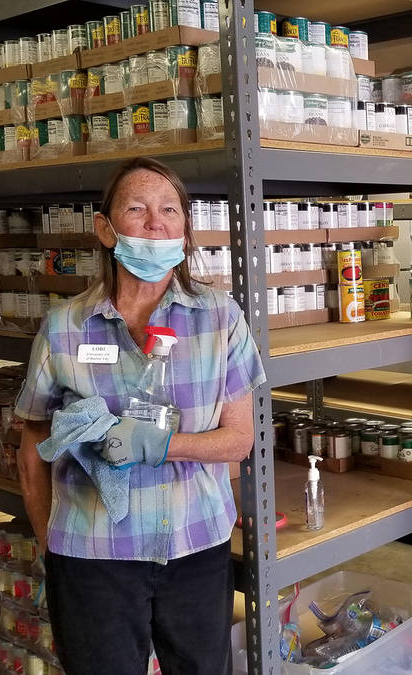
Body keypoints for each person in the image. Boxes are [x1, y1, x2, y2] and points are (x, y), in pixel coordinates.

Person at [14, 157, 265, 674]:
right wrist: (52, 544)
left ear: (185, 229)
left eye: (170, 209)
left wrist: (162, 445)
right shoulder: (64, 329)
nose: (156, 223)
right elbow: (31, 449)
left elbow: (240, 440)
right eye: (137, 208)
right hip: (92, 555)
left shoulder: (221, 318)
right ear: (105, 229)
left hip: (195, 545)